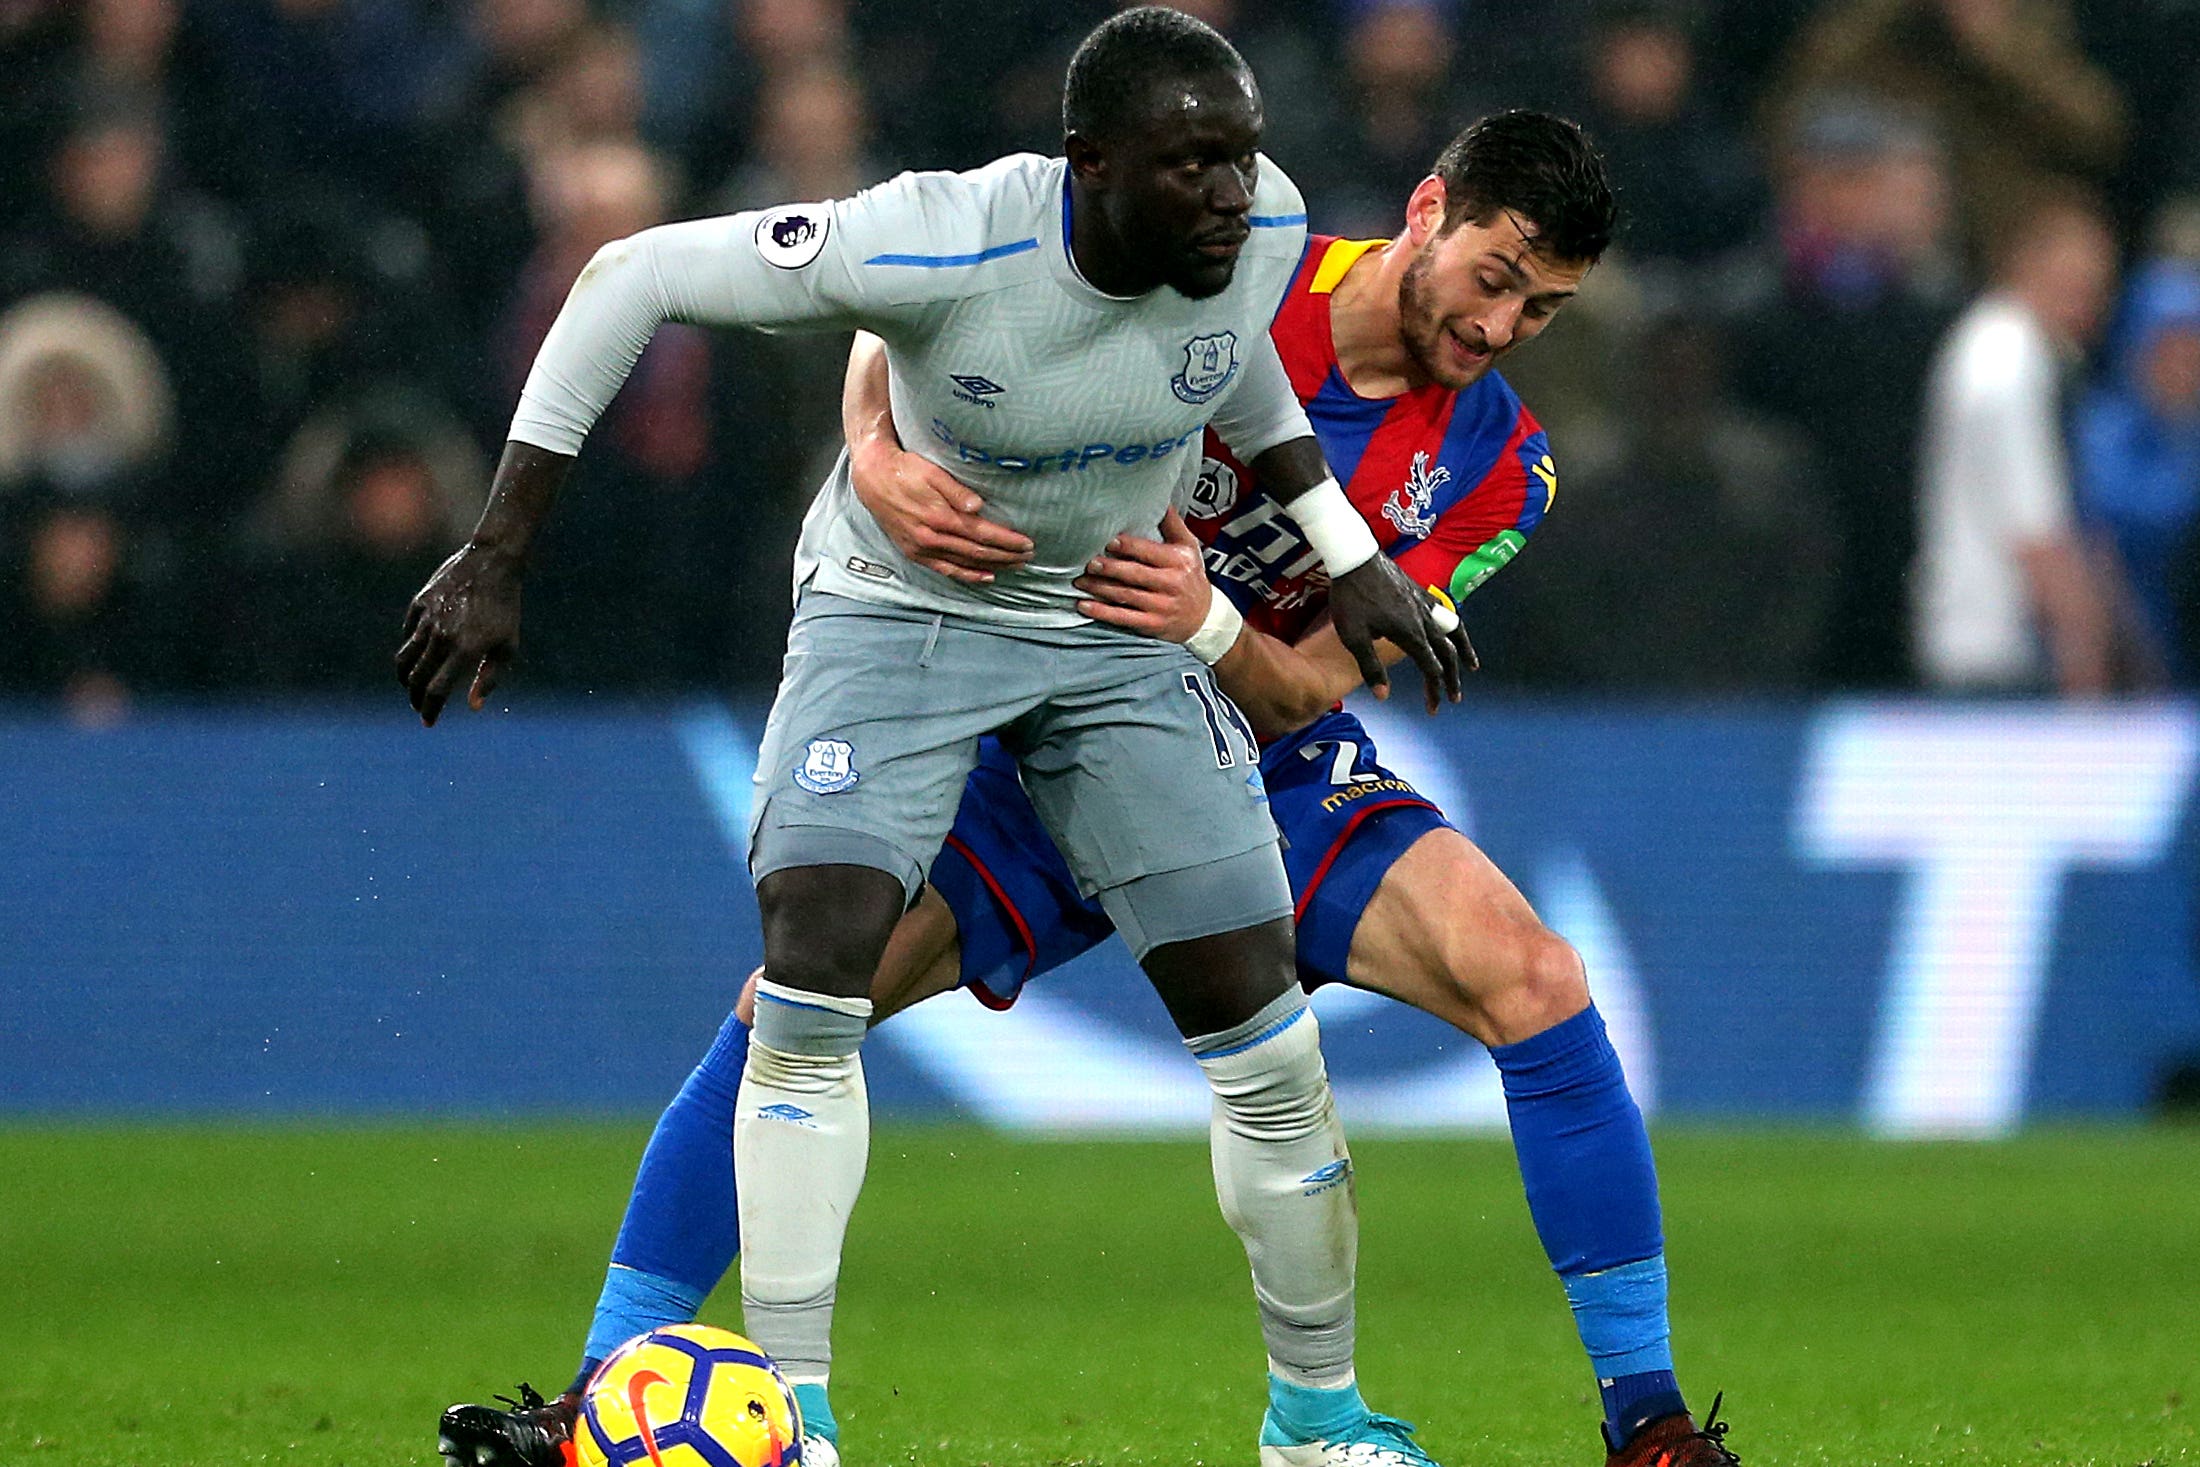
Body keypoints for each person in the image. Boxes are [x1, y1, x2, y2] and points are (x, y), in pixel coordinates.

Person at [441, 111, 1742, 1467]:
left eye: (1544, 305)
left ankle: (1643, 1417)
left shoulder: (1499, 465)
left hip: (1251, 746)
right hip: (1028, 703)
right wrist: (879, 462)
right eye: (1497, 275)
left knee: (1531, 977)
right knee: (795, 1014)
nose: (1504, 325)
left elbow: (1303, 687)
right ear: (1429, 209)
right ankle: (597, 1395)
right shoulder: (1240, 257)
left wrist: (1204, 621)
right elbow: (920, 311)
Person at [1913, 189, 2119, 695]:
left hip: (1976, 639)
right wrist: (2084, 650)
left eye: (2095, 288)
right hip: (1994, 652)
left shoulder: (1989, 344)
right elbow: (2034, 529)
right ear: (2024, 264)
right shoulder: (2008, 360)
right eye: (2071, 283)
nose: (2084, 305)